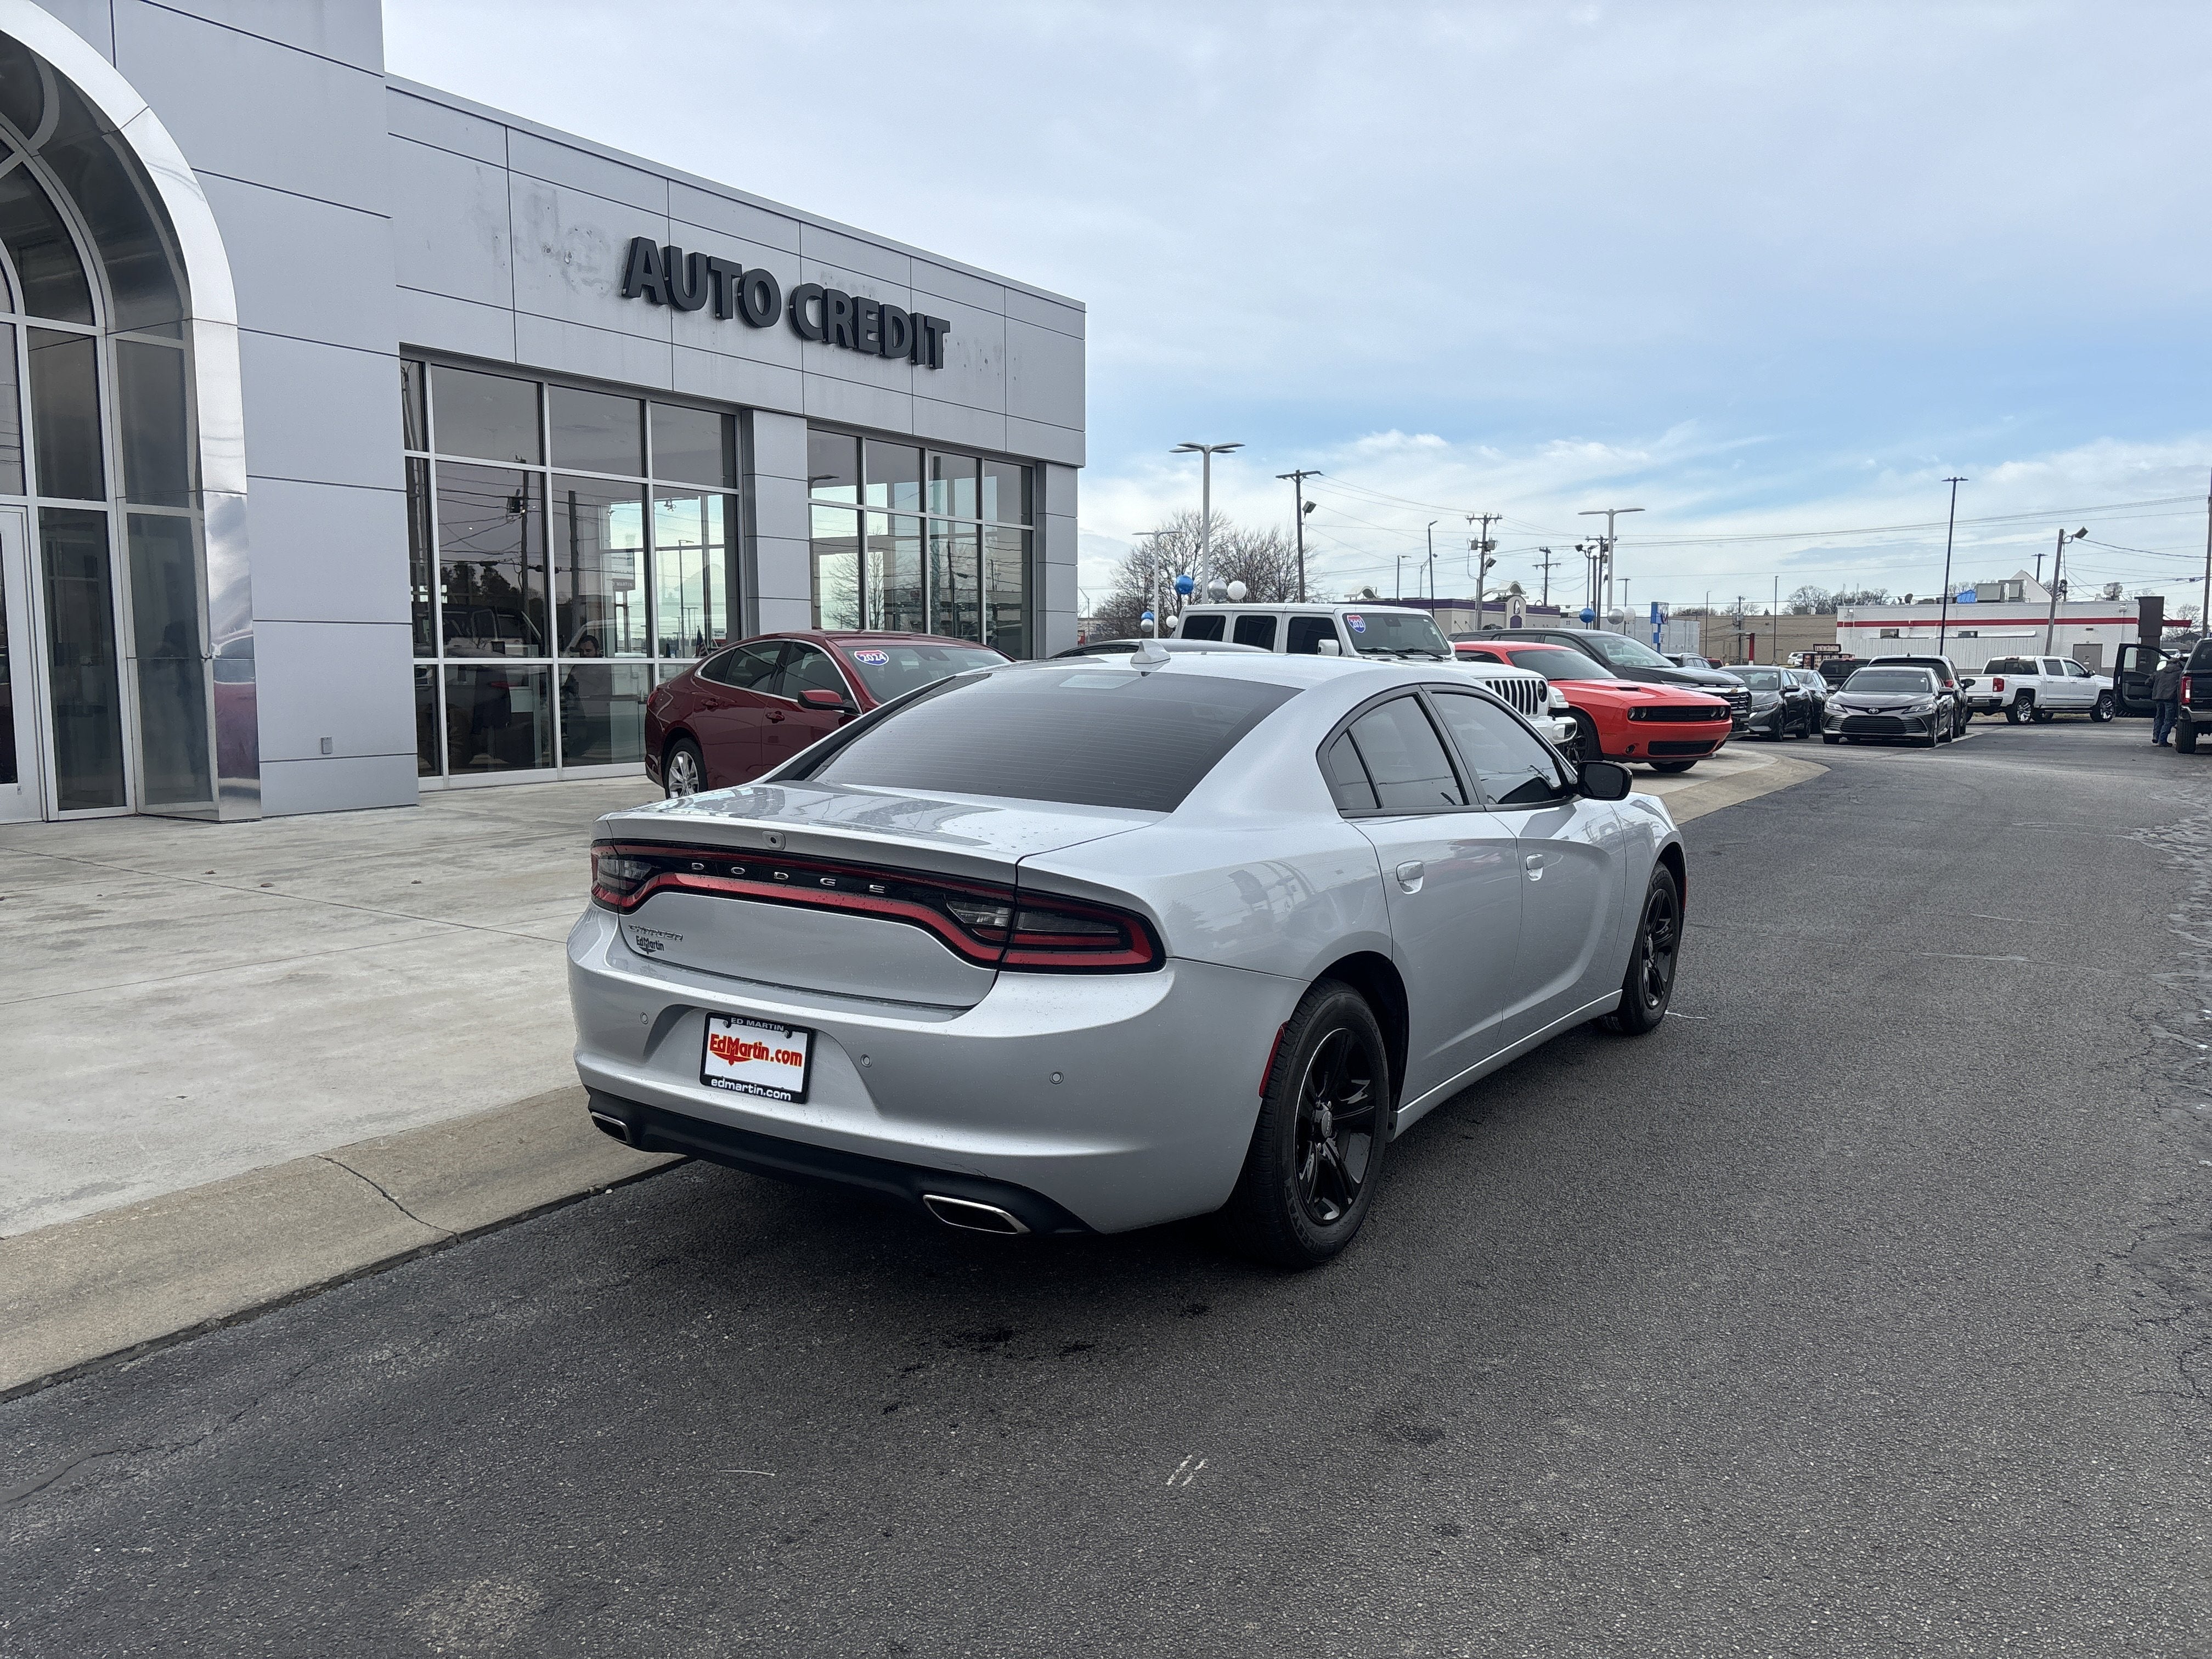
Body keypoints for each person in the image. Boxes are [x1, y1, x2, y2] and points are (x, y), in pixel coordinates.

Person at [2151, 654, 2182, 747]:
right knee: (2169, 720)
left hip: (2158, 698)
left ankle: (2155, 736)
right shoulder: (2180, 673)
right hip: (2170, 699)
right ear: (2178, 664)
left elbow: (2148, 682)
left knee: (2159, 717)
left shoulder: (2159, 672)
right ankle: (2162, 740)